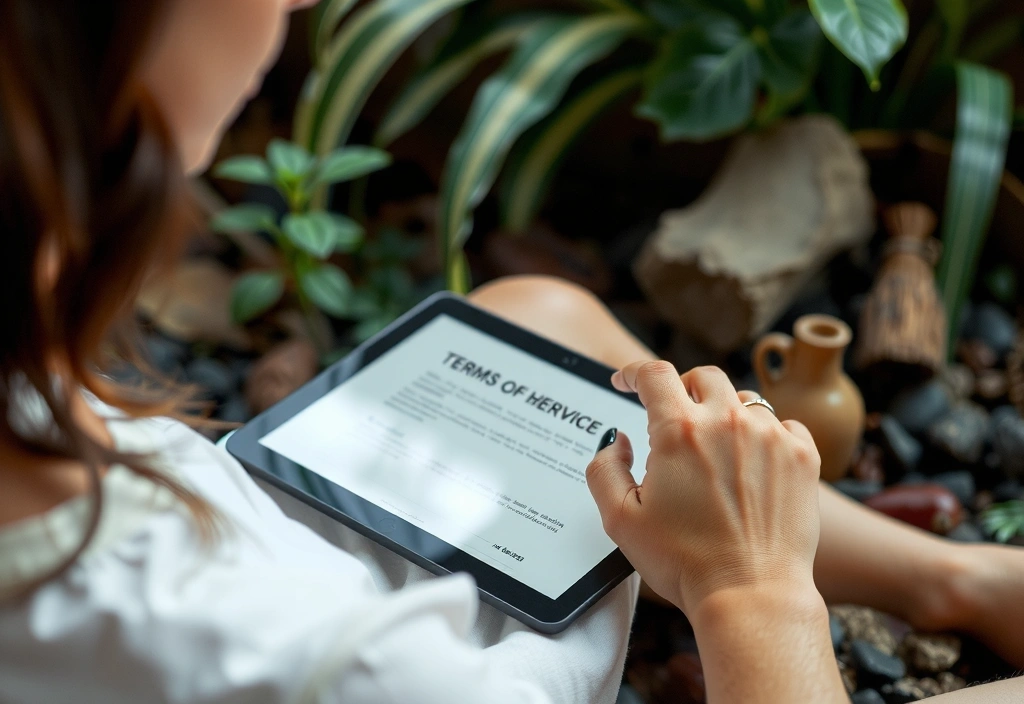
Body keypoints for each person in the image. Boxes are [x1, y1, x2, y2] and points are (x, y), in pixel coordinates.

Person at [0, 1, 1022, 702]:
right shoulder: (343, 673)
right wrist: (753, 592)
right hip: (414, 659)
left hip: (282, 558)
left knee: (532, 316)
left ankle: (952, 579)